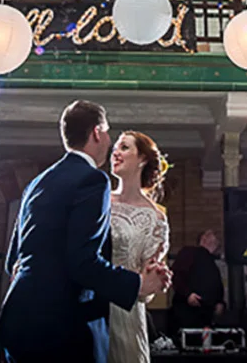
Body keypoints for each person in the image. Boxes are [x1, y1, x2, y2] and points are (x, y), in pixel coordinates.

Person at [0, 100, 170, 363]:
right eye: (108, 133)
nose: (111, 144)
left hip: (19, 323)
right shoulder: (92, 180)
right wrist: (138, 284)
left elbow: (13, 262)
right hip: (62, 326)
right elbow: (81, 262)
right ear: (97, 132)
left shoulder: (36, 183)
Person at [108, 131, 171, 363]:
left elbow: (147, 289)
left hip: (125, 314)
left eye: (124, 147)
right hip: (86, 309)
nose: (115, 152)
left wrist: (156, 280)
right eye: (115, 147)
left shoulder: (155, 218)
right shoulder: (98, 202)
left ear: (142, 159)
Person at [169, 229, 226, 335]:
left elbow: (216, 284)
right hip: (187, 311)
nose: (217, 239)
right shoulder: (189, 253)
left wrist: (219, 302)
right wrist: (188, 294)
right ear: (203, 238)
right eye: (212, 236)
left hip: (207, 313)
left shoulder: (211, 263)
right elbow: (176, 275)